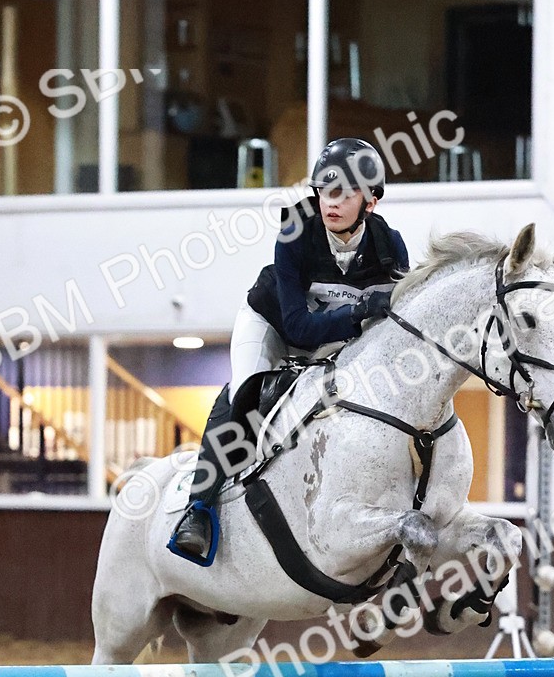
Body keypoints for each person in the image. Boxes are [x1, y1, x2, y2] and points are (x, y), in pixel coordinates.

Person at [169, 137, 409, 565]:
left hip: (333, 339)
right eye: (324, 191)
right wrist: (359, 310)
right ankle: (199, 511)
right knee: (245, 397)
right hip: (273, 327)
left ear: (370, 201)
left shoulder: (390, 247)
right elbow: (298, 326)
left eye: (345, 193)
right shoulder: (295, 231)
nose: (330, 203)